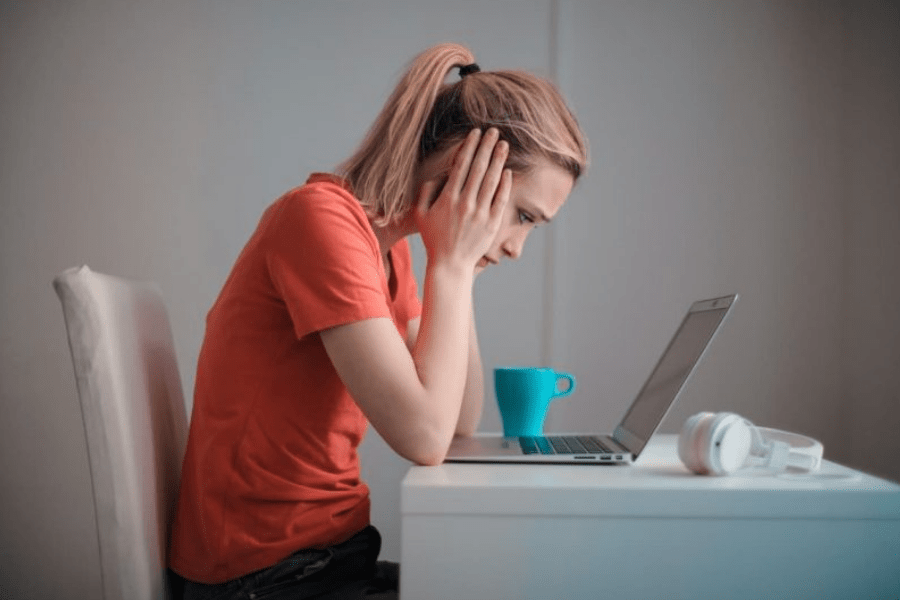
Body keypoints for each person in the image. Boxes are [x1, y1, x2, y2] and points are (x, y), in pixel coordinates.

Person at [169, 42, 588, 599]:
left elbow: (457, 418)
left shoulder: (388, 251)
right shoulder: (320, 222)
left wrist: (460, 265)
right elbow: (424, 437)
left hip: (327, 558)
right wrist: (454, 266)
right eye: (523, 216)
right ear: (468, 168)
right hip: (262, 575)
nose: (518, 247)